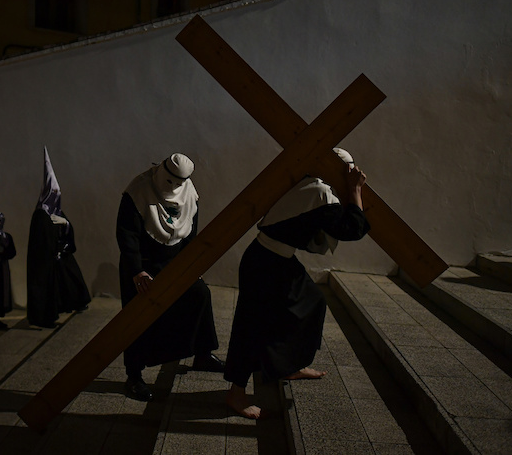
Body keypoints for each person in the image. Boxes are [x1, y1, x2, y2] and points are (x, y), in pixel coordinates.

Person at [224, 148, 371, 419]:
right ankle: (236, 393)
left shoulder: (310, 184)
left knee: (312, 302)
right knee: (251, 326)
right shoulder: (320, 193)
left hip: (275, 260)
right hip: (265, 263)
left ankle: (289, 365)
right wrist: (355, 192)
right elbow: (352, 229)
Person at [117, 153, 224, 402]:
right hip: (142, 264)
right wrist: (137, 270)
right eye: (171, 180)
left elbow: (191, 230)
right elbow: (126, 234)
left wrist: (190, 266)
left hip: (173, 261)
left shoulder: (189, 191)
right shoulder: (138, 189)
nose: (175, 187)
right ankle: (134, 376)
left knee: (200, 294)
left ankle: (202, 354)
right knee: (136, 317)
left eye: (180, 182)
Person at [27, 147, 90, 328]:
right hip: (46, 260)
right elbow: (41, 242)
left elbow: (67, 231)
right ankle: (42, 318)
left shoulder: (57, 212)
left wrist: (66, 225)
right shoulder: (40, 215)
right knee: (45, 288)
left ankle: (76, 302)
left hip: (59, 254)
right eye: (53, 194)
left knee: (71, 272)